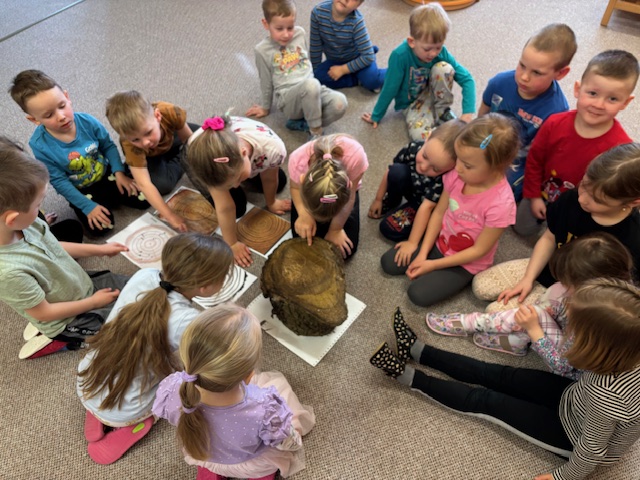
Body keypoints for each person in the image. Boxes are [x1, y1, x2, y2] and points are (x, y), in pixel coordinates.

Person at [371, 277, 640, 480]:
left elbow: (591, 450)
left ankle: (407, 377)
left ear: (597, 347)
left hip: (573, 434)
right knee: (498, 374)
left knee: (485, 400)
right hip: (577, 397)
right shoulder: (623, 350)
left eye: (574, 330)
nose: (567, 333)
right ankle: (418, 350)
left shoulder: (607, 395)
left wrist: (562, 476)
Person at [77, 233, 233, 465]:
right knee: (180, 385)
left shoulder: (145, 275)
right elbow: (208, 361)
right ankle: (128, 425)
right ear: (204, 287)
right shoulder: (187, 321)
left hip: (86, 380)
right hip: (128, 408)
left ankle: (98, 413)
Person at [426, 233, 633, 376]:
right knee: (533, 312)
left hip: (569, 370)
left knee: (532, 317)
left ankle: (473, 324)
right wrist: (553, 311)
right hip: (569, 332)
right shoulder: (611, 293)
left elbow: (562, 366)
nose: (563, 285)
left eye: (568, 283)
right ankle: (507, 337)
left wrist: (535, 330)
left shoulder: (596, 323)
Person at [153, 304, 316, 480]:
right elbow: (287, 442)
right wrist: (294, 436)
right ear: (249, 375)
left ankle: (213, 472)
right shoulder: (264, 408)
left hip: (206, 457)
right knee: (278, 383)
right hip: (251, 464)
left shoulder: (172, 389)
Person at [473, 142, 640, 312]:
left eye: (597, 200)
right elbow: (548, 238)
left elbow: (616, 294)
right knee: (481, 286)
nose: (582, 199)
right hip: (551, 267)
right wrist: (528, 278)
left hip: (578, 294)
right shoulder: (571, 199)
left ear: (633, 202)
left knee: (494, 312)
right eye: (583, 184)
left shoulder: (633, 239)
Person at [0, 141, 129, 360]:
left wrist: (99, 250)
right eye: (38, 205)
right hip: (65, 319)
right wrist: (93, 303)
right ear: (12, 219)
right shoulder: (8, 273)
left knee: (138, 288)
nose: (41, 210)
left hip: (77, 285)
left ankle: (37, 308)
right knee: (130, 331)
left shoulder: (26, 223)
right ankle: (59, 340)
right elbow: (44, 312)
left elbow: (54, 246)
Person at [381, 113, 519, 307]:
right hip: (441, 243)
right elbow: (439, 213)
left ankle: (450, 275)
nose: (458, 168)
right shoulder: (456, 175)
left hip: (465, 263)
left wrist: (432, 264)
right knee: (388, 263)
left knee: (417, 294)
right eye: (459, 159)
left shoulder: (501, 205)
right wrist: (422, 253)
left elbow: (479, 250)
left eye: (467, 165)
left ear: (496, 167)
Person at [9, 70, 148, 236]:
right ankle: (101, 202)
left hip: (107, 174)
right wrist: (86, 206)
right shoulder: (40, 145)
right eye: (49, 115)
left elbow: (108, 146)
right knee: (101, 228)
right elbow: (59, 181)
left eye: (62, 106)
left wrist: (119, 172)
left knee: (145, 198)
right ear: (35, 119)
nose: (61, 116)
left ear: (67, 97)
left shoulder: (87, 121)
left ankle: (114, 191)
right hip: (82, 191)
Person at [516, 49, 637, 236]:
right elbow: (535, 159)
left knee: (564, 240)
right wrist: (533, 196)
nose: (599, 105)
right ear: (577, 89)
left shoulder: (619, 148)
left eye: (612, 99)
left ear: (625, 103)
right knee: (522, 229)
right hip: (542, 191)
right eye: (593, 93)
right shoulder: (554, 123)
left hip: (583, 204)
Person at [478, 24, 576, 201]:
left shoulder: (557, 111)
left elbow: (541, 155)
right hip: (488, 140)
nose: (524, 77)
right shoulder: (499, 82)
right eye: (522, 65)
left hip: (518, 160)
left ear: (561, 73)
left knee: (501, 192)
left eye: (537, 72)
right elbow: (483, 112)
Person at [184, 115, 291, 267]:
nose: (235, 186)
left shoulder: (274, 149)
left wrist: (271, 202)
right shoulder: (208, 165)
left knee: (280, 181)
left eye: (239, 179)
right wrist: (231, 243)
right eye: (230, 183)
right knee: (237, 207)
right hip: (193, 153)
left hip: (254, 151)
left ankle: (236, 176)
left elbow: (270, 179)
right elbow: (225, 207)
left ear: (244, 153)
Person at [361, 3, 475, 142]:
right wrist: (376, 115)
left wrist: (468, 113)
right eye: (427, 49)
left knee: (444, 68)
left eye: (438, 47)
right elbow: (390, 88)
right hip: (412, 105)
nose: (433, 53)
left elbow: (467, 79)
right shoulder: (399, 56)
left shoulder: (441, 53)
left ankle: (442, 112)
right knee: (419, 137)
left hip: (435, 95)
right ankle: (443, 137)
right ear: (411, 42)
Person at [246, 0, 347, 139]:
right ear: (266, 24)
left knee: (340, 103)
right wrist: (265, 107)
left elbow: (306, 62)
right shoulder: (262, 50)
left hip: (312, 88)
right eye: (279, 29)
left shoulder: (300, 33)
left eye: (290, 27)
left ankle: (302, 123)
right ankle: (316, 133)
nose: (286, 34)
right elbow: (265, 81)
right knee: (311, 85)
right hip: (288, 98)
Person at [105, 90, 198, 232]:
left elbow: (189, 141)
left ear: (158, 116)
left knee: (205, 139)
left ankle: (178, 155)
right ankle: (179, 157)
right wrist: (170, 215)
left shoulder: (171, 112)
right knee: (162, 184)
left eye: (148, 132)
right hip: (151, 157)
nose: (145, 142)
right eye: (135, 139)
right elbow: (144, 184)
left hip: (173, 137)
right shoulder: (130, 145)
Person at [368, 119, 466, 253]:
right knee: (397, 171)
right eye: (425, 156)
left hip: (423, 203)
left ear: (451, 168)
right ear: (427, 138)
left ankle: (420, 225)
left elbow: (427, 207)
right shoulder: (413, 147)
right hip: (411, 187)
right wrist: (378, 199)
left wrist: (412, 242)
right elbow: (391, 169)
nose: (424, 167)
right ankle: (392, 201)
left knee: (388, 228)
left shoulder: (444, 178)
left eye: (435, 169)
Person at [289, 134, 368, 259]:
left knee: (346, 251)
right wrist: (304, 214)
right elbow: (294, 188)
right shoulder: (297, 161)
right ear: (302, 180)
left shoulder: (356, 156)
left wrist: (335, 229)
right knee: (304, 242)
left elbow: (351, 196)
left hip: (342, 191)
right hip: (318, 192)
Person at [309, 0, 386, 92]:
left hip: (357, 58)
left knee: (372, 81)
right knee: (317, 78)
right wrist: (314, 71)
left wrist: (343, 70)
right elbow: (315, 45)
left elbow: (368, 57)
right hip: (335, 60)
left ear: (358, 5)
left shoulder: (357, 22)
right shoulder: (317, 13)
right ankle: (357, 78)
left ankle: (394, 70)